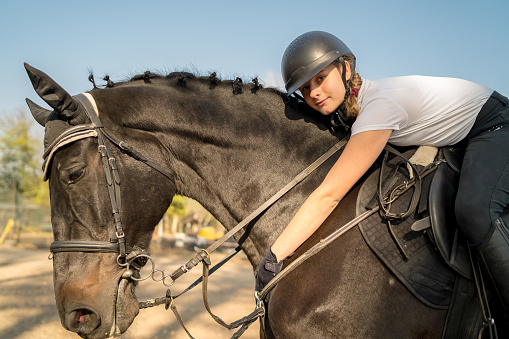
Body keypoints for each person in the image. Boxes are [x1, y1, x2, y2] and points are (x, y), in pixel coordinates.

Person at [254, 31, 509, 315]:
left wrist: (274, 256)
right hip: (467, 133)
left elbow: (329, 195)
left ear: (345, 68)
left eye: (320, 78)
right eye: (304, 88)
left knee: (474, 210)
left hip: (496, 124)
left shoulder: (377, 110)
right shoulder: (359, 108)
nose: (313, 92)